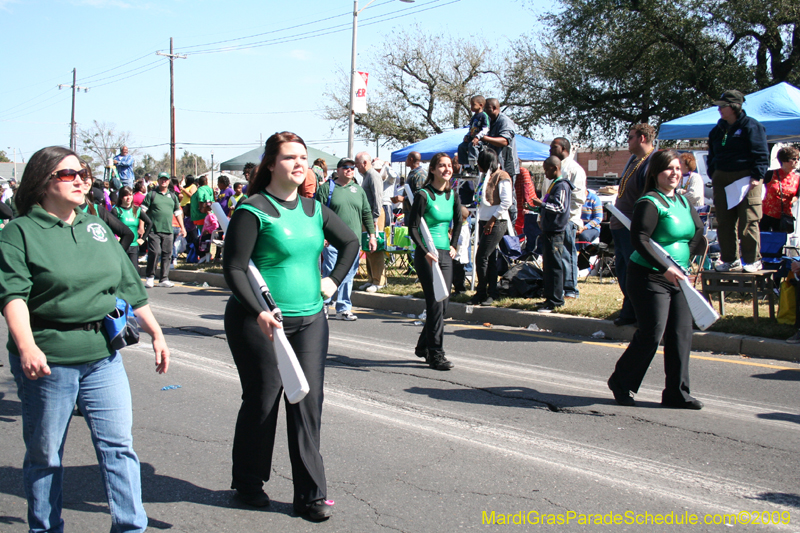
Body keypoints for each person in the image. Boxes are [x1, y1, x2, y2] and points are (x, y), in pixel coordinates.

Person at [0, 146, 170, 532]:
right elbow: (13, 296)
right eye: (67, 174)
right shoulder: (20, 232)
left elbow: (128, 285)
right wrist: (26, 346)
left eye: (83, 172)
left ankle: (130, 526)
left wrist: (157, 333)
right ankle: (45, 528)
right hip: (49, 359)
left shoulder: (95, 225)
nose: (80, 180)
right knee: (45, 455)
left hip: (102, 357)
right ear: (43, 182)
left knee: (118, 447)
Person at [222, 132, 358, 520]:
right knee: (264, 400)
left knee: (307, 401)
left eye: (303, 157)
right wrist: (259, 311)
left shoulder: (315, 209)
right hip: (259, 322)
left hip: (312, 319)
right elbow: (232, 268)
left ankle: (311, 496)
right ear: (270, 164)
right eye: (289, 158)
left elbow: (350, 242)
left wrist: (332, 281)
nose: (300, 163)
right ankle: (248, 481)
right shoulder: (254, 209)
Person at [607, 149, 705, 409]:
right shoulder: (650, 202)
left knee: (681, 334)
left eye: (677, 168)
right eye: (667, 169)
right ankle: (621, 381)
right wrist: (665, 267)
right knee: (652, 333)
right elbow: (639, 239)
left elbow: (698, 233)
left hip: (678, 278)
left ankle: (677, 393)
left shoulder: (684, 202)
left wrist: (685, 263)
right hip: (649, 277)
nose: (674, 173)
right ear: (656, 174)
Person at [408, 152, 462, 370]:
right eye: (442, 166)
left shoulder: (453, 195)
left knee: (444, 303)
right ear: (432, 170)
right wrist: (424, 251)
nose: (446, 169)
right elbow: (412, 227)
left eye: (449, 166)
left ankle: (424, 346)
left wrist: (454, 245)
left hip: (445, 253)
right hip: (427, 255)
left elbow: (458, 221)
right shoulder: (423, 195)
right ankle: (436, 354)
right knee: (435, 303)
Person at [708, 89, 769, 273]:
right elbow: (712, 155)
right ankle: (730, 259)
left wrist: (757, 176)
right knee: (724, 222)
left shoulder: (752, 126)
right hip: (722, 179)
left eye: (723, 106)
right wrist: (714, 173)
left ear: (734, 107)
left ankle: (753, 260)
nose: (719, 110)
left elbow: (761, 153)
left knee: (749, 220)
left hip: (746, 179)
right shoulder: (717, 130)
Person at [315, 158, 377, 320]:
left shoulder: (358, 190)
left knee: (349, 274)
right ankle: (325, 303)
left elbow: (366, 214)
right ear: (338, 170)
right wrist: (321, 235)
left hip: (352, 242)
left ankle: (343, 308)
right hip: (331, 241)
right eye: (346, 168)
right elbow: (316, 214)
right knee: (330, 271)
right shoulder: (327, 188)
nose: (349, 170)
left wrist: (372, 235)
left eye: (352, 168)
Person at [609, 123, 656, 326]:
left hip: (632, 225)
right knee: (622, 269)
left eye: (630, 137)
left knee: (634, 270)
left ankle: (640, 312)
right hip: (619, 225)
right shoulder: (633, 159)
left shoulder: (652, 162)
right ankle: (628, 310)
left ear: (642, 138)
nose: (627, 141)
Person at [470, 149, 512, 306]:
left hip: (496, 221)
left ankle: (482, 291)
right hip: (485, 220)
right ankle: (491, 292)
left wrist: (492, 221)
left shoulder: (502, 176)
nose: (478, 166)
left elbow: (506, 202)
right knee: (490, 259)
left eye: (480, 163)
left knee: (481, 257)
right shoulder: (485, 176)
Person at [546, 138, 587, 300]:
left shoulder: (574, 169)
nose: (550, 149)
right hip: (551, 221)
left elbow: (577, 198)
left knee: (567, 254)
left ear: (563, 148)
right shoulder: (551, 166)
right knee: (555, 257)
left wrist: (564, 215)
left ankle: (570, 289)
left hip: (567, 220)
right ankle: (558, 288)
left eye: (553, 146)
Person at [537, 156, 574, 312]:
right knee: (548, 266)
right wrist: (535, 208)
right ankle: (548, 297)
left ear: (555, 168)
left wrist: (542, 204)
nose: (545, 173)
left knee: (555, 267)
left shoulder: (562, 186)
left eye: (547, 169)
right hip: (548, 230)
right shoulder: (553, 185)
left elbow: (560, 208)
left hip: (556, 232)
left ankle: (556, 300)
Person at [142, 172, 186, 288]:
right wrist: (141, 227)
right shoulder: (152, 195)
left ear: (168, 181)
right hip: (153, 230)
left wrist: (183, 227)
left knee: (167, 254)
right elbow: (142, 211)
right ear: (158, 180)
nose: (164, 181)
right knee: (155, 252)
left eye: (166, 179)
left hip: (168, 230)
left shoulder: (173, 196)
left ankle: (164, 279)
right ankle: (150, 277)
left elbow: (178, 213)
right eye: (162, 179)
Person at [356, 152, 386, 292]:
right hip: (367, 216)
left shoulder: (373, 175)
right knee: (368, 248)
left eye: (357, 164)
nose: (356, 167)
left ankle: (379, 280)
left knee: (376, 248)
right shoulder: (366, 176)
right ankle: (371, 278)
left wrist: (374, 219)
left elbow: (378, 198)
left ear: (364, 163)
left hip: (375, 216)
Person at [760, 146, 799, 232]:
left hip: (784, 217)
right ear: (784, 160)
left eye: (798, 159)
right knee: (764, 241)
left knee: (779, 242)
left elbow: (797, 195)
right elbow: (756, 185)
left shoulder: (797, 178)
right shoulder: (770, 174)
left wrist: (787, 200)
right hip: (766, 214)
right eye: (794, 159)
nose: (797, 161)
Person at [113, 186, 153, 267]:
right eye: (126, 195)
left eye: (130, 195)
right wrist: (116, 238)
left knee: (134, 271)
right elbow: (109, 227)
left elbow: (149, 223)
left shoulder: (137, 210)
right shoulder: (116, 211)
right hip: (121, 246)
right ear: (121, 197)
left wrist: (143, 239)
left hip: (134, 246)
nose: (129, 198)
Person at [483, 98, 520, 179]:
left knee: (506, 191)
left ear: (494, 108)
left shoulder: (505, 121)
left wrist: (485, 138)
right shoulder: (488, 121)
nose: (484, 111)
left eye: (486, 108)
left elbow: (504, 141)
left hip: (506, 167)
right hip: (493, 167)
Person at [457, 95, 490, 173]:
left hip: (481, 140)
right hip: (472, 138)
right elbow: (471, 129)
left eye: (473, 105)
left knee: (472, 145)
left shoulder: (484, 115)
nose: (471, 107)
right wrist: (467, 136)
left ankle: (475, 165)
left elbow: (486, 128)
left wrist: (478, 137)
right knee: (461, 146)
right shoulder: (474, 117)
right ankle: (466, 166)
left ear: (480, 105)